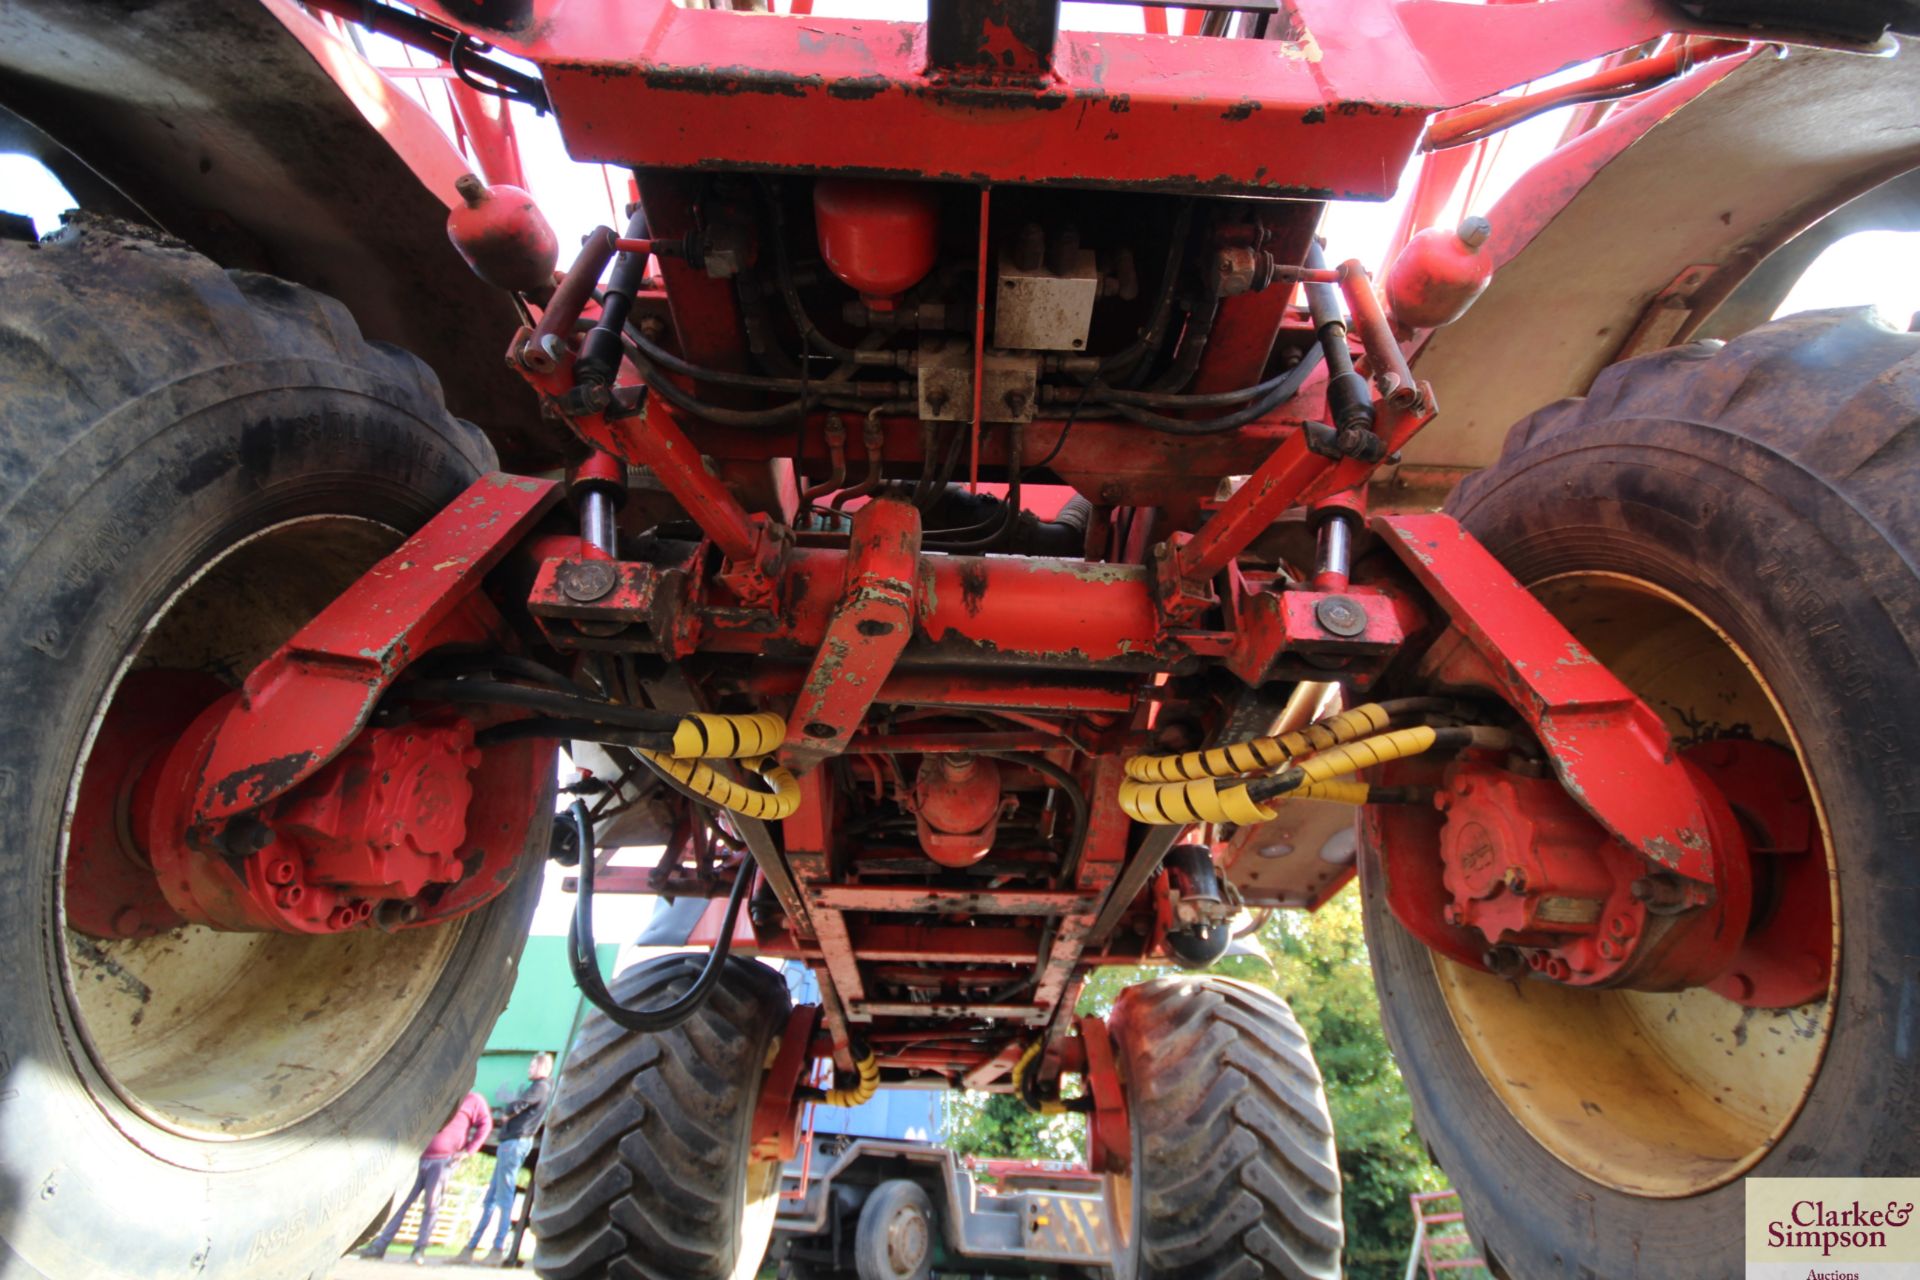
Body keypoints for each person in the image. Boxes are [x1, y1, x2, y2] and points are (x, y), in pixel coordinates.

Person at [359, 1087, 493, 1265]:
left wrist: (469, 1151)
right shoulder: (440, 1094)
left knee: (431, 1205)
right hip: (418, 1157)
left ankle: (419, 1251)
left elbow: (486, 1124)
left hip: (443, 1161)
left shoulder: (473, 1100)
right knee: (401, 1203)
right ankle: (379, 1247)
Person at [455, 1052, 555, 1266]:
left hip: (515, 1143)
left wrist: (508, 1113)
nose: (529, 1069)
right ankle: (470, 1249)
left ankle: (498, 1249)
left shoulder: (540, 1087)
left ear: (543, 1068)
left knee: (503, 1196)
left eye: (532, 1065)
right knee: (491, 1198)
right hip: (510, 1144)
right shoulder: (539, 1088)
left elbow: (518, 1106)